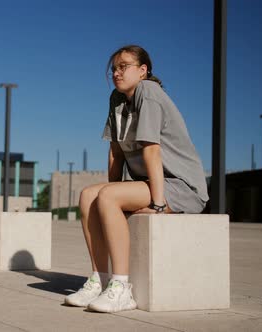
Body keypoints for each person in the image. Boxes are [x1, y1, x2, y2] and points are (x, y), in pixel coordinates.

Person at [64, 45, 209, 313]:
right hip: (150, 182)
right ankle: (100, 279)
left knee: (108, 196)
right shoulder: (116, 99)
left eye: (123, 66)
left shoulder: (149, 92)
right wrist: (111, 188)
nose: (116, 72)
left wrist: (157, 204)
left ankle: (121, 288)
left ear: (142, 71)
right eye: (114, 68)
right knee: (89, 195)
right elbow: (115, 153)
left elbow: (152, 150)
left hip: (180, 186)